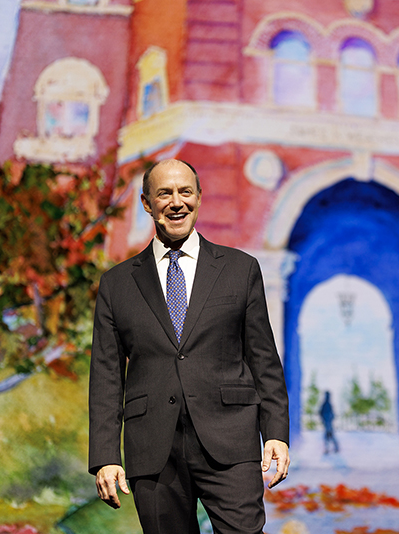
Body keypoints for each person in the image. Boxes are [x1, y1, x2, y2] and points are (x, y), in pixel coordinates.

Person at [88, 159, 290, 534]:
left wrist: (275, 432)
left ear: (199, 198)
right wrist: (104, 456)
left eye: (185, 192)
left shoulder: (240, 269)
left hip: (230, 443)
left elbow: (263, 360)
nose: (176, 202)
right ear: (147, 203)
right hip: (153, 451)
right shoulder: (117, 284)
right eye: (164, 193)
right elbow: (106, 375)